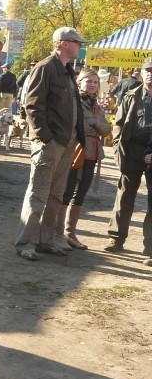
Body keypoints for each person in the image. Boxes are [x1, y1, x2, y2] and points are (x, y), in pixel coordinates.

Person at [15, 27, 85, 261]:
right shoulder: (45, 68)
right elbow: (33, 105)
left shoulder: (67, 71)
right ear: (64, 43)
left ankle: (46, 240)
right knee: (38, 195)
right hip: (50, 143)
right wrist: (46, 138)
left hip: (66, 143)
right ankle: (25, 243)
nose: (80, 46)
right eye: (77, 42)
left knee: (56, 195)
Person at [104, 57, 152, 257]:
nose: (150, 74)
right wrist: (117, 150)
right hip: (131, 151)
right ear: (141, 74)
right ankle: (116, 237)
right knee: (124, 196)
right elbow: (119, 124)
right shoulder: (131, 95)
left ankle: (150, 246)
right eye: (148, 70)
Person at [58, 69, 111, 250]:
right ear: (80, 82)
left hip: (92, 152)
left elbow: (107, 129)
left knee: (81, 193)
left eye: (95, 82)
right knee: (67, 190)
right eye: (88, 81)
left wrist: (95, 124)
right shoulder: (74, 101)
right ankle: (58, 233)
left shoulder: (97, 105)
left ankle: (70, 232)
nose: (92, 85)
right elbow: (76, 125)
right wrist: (95, 126)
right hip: (75, 150)